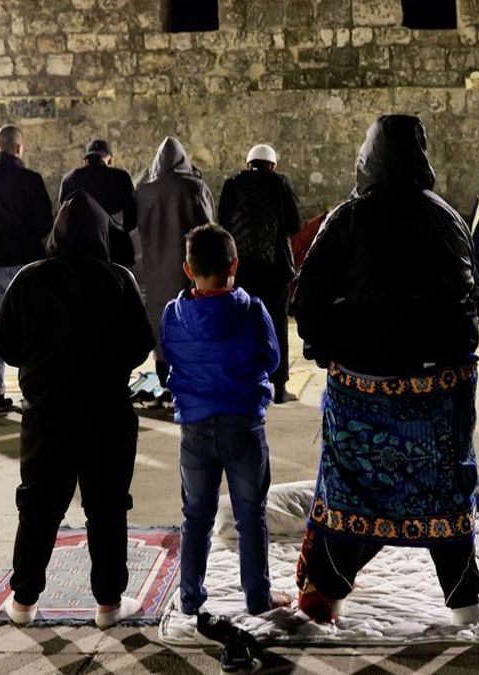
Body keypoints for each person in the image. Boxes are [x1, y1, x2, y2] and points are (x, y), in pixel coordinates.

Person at [292, 114, 479, 624]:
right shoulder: (447, 219)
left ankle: (328, 590)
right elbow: (471, 300)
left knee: (355, 488)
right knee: (442, 491)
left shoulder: (346, 220)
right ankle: (464, 603)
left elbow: (307, 299)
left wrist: (327, 348)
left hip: (364, 389)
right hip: (439, 391)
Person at [0, 191, 155, 628]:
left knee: (39, 506)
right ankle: (107, 604)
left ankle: (23, 602)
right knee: (106, 507)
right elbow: (140, 346)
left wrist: (43, 361)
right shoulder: (118, 278)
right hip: (107, 414)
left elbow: (3, 344)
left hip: (47, 414)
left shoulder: (29, 279)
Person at [157, 224, 291, 650]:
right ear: (234, 265)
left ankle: (191, 597)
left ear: (187, 269)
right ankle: (257, 597)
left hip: (194, 427)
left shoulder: (172, 315)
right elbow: (271, 360)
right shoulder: (252, 311)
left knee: (195, 515)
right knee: (251, 516)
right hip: (244, 426)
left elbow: (169, 359)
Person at [0, 124, 53, 404]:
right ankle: (31, 388)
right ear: (19, 148)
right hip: (29, 264)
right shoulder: (31, 180)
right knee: (32, 324)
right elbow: (45, 225)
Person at [218, 144, 303, 404]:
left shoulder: (233, 184)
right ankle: (279, 387)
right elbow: (294, 225)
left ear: (248, 164)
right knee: (276, 324)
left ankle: (246, 382)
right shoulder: (280, 184)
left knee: (243, 323)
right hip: (274, 269)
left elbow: (222, 223)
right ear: (272, 165)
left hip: (241, 269)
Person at [135, 136, 214, 389]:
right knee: (190, 322)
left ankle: (164, 374)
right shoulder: (195, 186)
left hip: (155, 271)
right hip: (189, 271)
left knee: (162, 322)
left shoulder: (144, 192)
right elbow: (209, 228)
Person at [59, 139, 138, 269]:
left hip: (80, 252)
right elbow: (131, 220)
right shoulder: (121, 177)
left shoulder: (69, 179)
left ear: (85, 160)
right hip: (116, 250)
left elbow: (63, 219)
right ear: (110, 160)